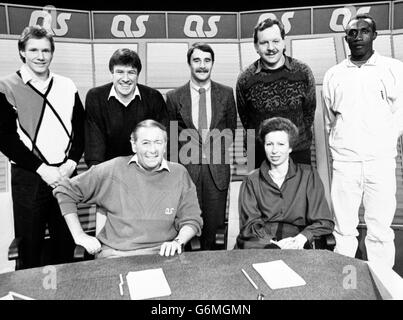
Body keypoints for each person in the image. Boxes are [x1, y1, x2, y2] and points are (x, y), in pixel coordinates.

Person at [53, 120, 203, 258]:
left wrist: (178, 241)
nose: (152, 150)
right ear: (133, 145)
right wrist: (79, 235)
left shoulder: (179, 173)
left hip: (163, 254)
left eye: (158, 142)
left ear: (165, 145)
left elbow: (192, 219)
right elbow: (65, 191)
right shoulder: (113, 169)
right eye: (145, 143)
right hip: (116, 255)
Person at [0, 25, 84, 269]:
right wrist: (41, 169)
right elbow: (6, 139)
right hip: (29, 177)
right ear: (22, 52)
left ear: (52, 53)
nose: (40, 56)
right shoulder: (6, 86)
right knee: (30, 246)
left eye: (46, 50)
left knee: (66, 243)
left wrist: (71, 163)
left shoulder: (67, 85)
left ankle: (67, 293)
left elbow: (79, 128)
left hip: (66, 174)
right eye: (33, 50)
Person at [322, 14, 403, 267]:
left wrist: (382, 143)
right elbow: (329, 119)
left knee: (380, 230)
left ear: (374, 35)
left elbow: (400, 114)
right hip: (345, 163)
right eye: (352, 33)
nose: (357, 37)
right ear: (345, 38)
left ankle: (381, 283)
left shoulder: (394, 69)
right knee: (344, 230)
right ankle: (345, 287)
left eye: (364, 31)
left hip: (380, 161)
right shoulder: (334, 74)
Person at [166, 42, 237, 250]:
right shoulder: (173, 97)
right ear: (189, 63)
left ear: (212, 63)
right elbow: (170, 138)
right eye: (197, 60)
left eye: (207, 60)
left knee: (215, 231)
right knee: (188, 226)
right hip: (187, 172)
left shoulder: (226, 93)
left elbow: (230, 130)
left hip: (217, 171)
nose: (202, 65)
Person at [236, 117, 334, 250]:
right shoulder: (251, 180)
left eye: (281, 144)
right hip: (259, 243)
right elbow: (249, 226)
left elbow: (324, 221)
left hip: (296, 243)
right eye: (269, 144)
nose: (274, 151)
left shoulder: (309, 175)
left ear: (290, 148)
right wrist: (272, 243)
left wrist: (302, 237)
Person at [236, 18, 316, 169]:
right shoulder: (245, 79)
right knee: (259, 193)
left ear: (284, 42)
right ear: (255, 46)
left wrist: (291, 141)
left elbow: (308, 114)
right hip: (259, 155)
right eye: (264, 42)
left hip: (298, 153)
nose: (270, 47)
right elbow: (247, 120)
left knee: (299, 193)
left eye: (276, 41)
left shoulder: (303, 72)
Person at [84, 48, 168, 168]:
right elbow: (94, 145)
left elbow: (163, 139)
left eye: (131, 72)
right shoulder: (95, 97)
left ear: (138, 74)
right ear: (112, 73)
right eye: (120, 72)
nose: (125, 79)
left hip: (146, 170)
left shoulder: (153, 97)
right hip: (109, 171)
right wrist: (98, 175)